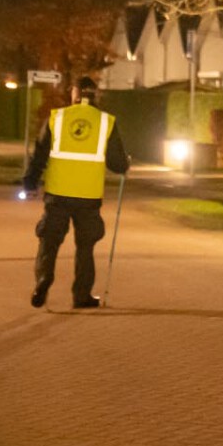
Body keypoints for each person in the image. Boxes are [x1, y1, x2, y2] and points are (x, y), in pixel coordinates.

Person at [19, 76, 131, 309]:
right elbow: (117, 163)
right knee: (85, 245)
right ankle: (82, 295)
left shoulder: (57, 118)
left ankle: (43, 279)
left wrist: (30, 181)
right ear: (95, 94)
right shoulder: (106, 122)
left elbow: (40, 152)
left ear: (75, 93)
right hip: (88, 196)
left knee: (49, 240)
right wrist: (125, 164)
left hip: (58, 193)